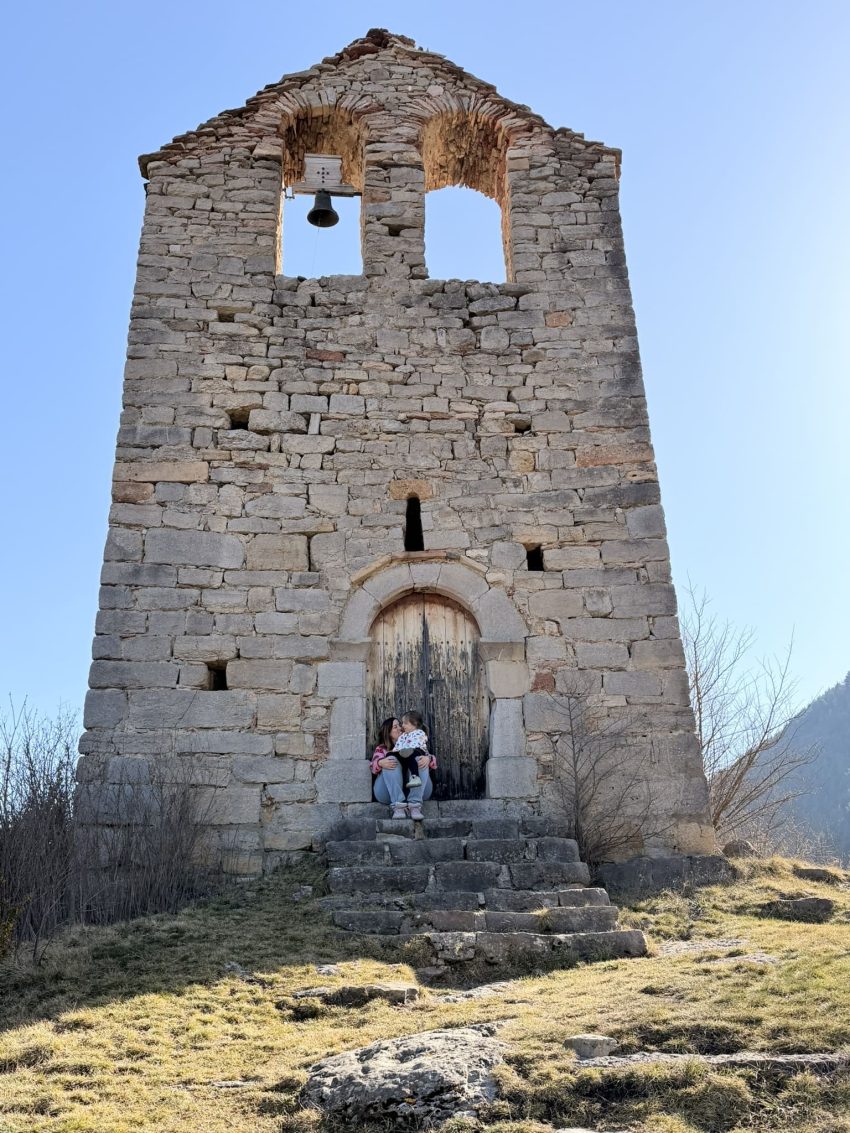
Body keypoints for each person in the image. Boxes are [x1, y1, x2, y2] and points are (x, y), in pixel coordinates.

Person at [370, 716, 435, 820]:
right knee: (391, 758)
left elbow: (433, 763)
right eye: (395, 727)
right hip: (387, 793)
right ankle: (398, 806)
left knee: (419, 757)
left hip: (419, 792)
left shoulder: (414, 742)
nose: (400, 728)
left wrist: (429, 758)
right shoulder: (382, 749)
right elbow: (372, 767)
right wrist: (380, 762)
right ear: (388, 732)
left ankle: (415, 806)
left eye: (400, 725)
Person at [392, 710, 430, 789]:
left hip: (417, 751)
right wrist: (394, 752)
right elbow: (399, 744)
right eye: (402, 723)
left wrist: (408, 749)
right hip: (405, 752)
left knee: (413, 756)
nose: (402, 725)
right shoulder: (403, 735)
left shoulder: (419, 733)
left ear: (414, 724)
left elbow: (418, 742)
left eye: (405, 723)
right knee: (393, 755)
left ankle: (415, 777)